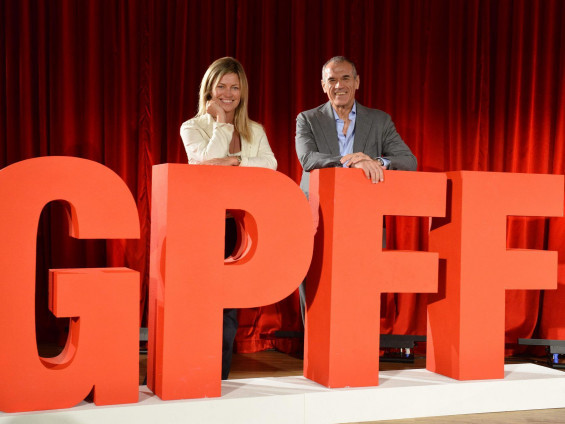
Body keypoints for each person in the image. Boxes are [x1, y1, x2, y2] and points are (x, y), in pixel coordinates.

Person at [295, 56, 417, 321]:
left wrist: (376, 162)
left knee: (362, 288)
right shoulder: (308, 119)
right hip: (318, 215)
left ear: (357, 82)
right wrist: (350, 161)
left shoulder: (380, 120)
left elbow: (409, 161)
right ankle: (314, 350)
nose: (339, 85)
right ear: (323, 85)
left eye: (346, 78)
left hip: (366, 217)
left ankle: (357, 353)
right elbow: (308, 159)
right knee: (316, 283)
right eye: (332, 80)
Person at [180, 57, 277, 379]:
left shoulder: (256, 130)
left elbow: (270, 165)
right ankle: (193, 367)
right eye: (221, 86)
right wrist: (222, 122)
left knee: (229, 303)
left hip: (240, 224)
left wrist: (235, 161)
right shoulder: (192, 127)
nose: (228, 93)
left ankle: (218, 373)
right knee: (201, 297)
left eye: (234, 87)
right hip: (204, 222)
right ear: (209, 89)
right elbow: (205, 163)